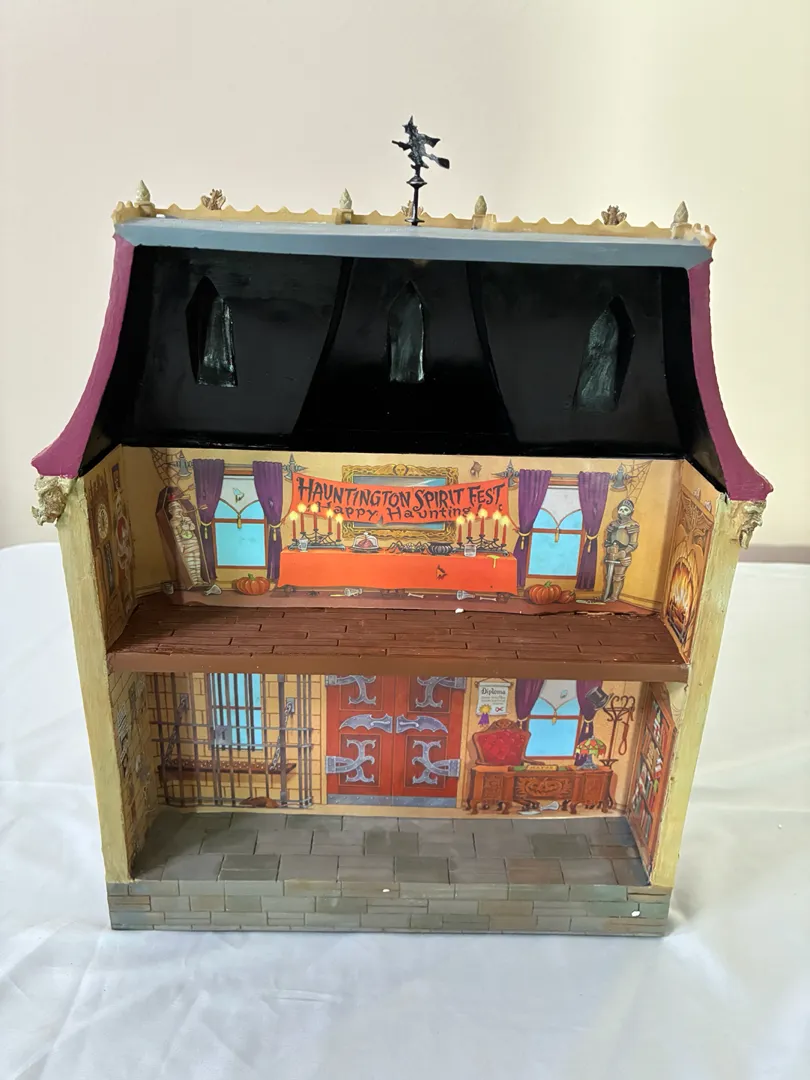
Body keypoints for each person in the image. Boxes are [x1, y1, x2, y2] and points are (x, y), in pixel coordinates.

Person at [601, 498, 639, 601]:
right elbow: (607, 540)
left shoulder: (633, 525)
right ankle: (606, 595)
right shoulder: (612, 524)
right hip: (611, 552)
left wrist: (624, 552)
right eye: (621, 509)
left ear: (631, 511)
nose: (623, 512)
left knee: (618, 576)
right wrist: (608, 548)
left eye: (626, 509)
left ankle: (614, 596)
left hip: (624, 553)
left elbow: (633, 543)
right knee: (608, 576)